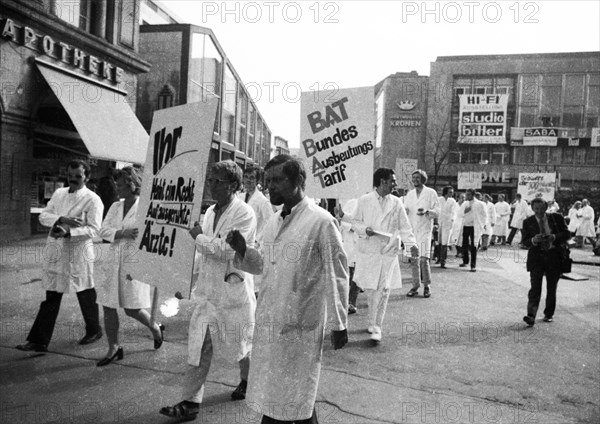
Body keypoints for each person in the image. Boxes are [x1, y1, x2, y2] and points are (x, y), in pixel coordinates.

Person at [226, 154, 349, 423]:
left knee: (295, 397)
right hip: (271, 319)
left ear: (299, 180)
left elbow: (337, 274)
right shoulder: (273, 222)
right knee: (286, 397)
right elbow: (262, 265)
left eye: (278, 180)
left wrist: (339, 324)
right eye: (267, 181)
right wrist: (243, 250)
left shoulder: (321, 221)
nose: (270, 186)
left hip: (300, 324)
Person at [160, 160, 257, 421]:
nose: (211, 186)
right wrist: (187, 283)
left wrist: (198, 237)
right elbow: (204, 256)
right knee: (198, 346)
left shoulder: (244, 213)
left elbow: (226, 250)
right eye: (210, 180)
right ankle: (190, 403)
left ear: (234, 185)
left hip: (232, 293)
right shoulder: (211, 212)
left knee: (241, 346)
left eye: (217, 181)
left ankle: (247, 380)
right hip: (208, 295)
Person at [16, 160, 104, 352]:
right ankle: (39, 341)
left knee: (85, 291)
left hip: (77, 253)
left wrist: (70, 232)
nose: (73, 180)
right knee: (52, 295)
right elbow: (43, 216)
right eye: (70, 176)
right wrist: (62, 219)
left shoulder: (93, 199)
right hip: (56, 251)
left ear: (87, 177)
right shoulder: (58, 194)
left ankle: (94, 329)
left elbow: (94, 229)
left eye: (78, 177)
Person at [95, 166, 164, 366]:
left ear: (132, 184)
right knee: (108, 305)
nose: (117, 188)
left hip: (134, 262)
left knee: (131, 308)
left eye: (121, 184)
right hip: (113, 260)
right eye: (116, 184)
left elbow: (153, 235)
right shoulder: (116, 207)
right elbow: (103, 230)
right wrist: (121, 233)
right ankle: (114, 348)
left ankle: (155, 327)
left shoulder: (147, 207)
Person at [345, 168, 418, 343]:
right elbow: (354, 222)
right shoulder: (364, 200)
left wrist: (411, 244)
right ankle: (372, 322)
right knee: (371, 290)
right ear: (382, 182)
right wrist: (365, 230)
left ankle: (377, 326)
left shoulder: (397, 202)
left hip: (388, 251)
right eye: (392, 181)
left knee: (384, 289)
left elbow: (405, 227)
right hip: (369, 250)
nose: (395, 184)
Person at [521, 198, 570, 326]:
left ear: (546, 207)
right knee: (535, 288)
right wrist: (533, 240)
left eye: (542, 208)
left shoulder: (556, 218)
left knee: (551, 287)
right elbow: (524, 241)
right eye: (536, 209)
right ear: (532, 209)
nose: (539, 211)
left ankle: (548, 314)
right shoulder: (528, 222)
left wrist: (554, 237)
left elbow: (567, 234)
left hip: (554, 257)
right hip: (537, 258)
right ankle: (531, 315)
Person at [239, 164, 274, 297]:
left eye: (252, 178)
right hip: (240, 245)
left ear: (257, 180)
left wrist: (258, 242)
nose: (248, 180)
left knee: (253, 288)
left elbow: (270, 223)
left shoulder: (263, 201)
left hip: (255, 246)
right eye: (246, 177)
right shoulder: (240, 198)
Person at [404, 170, 439, 298]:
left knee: (424, 259)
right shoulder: (410, 194)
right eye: (413, 178)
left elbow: (437, 211)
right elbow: (405, 209)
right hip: (411, 231)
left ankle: (427, 286)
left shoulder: (431, 193)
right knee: (414, 260)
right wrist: (405, 210)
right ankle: (415, 286)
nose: (415, 180)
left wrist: (427, 211)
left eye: (418, 178)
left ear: (423, 179)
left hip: (424, 230)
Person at [337, 198, 360, 314]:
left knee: (356, 274)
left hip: (358, 241)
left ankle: (352, 302)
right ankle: (344, 301)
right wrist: (347, 226)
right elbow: (341, 221)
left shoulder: (361, 201)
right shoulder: (344, 201)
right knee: (346, 272)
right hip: (346, 242)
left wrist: (354, 228)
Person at [458, 189, 487, 272]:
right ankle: (465, 261)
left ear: (473, 195)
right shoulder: (465, 204)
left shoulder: (480, 204)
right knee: (464, 244)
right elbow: (459, 214)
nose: (467, 196)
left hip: (475, 226)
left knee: (474, 246)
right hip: (466, 226)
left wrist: (484, 224)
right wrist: (465, 211)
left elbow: (485, 215)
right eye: (466, 194)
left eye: (468, 195)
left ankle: (473, 265)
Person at [437, 186, 457, 268]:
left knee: (445, 243)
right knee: (438, 242)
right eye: (450, 192)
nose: (451, 194)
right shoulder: (439, 199)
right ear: (445, 192)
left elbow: (454, 212)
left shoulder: (452, 201)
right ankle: (438, 257)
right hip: (439, 222)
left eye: (452, 192)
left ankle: (443, 261)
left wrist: (452, 220)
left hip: (447, 223)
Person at [450, 192, 466, 257]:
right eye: (462, 197)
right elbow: (452, 213)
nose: (463, 199)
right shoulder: (455, 205)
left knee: (462, 239)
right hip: (456, 223)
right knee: (455, 239)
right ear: (458, 198)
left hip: (463, 223)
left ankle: (461, 252)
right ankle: (458, 252)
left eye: (464, 197)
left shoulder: (466, 205)